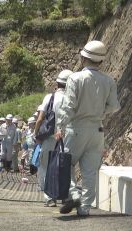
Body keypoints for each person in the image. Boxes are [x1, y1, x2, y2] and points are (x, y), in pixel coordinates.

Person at [55, 41, 120, 216]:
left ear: (83, 58)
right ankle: (84, 208)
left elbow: (68, 107)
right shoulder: (109, 81)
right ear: (101, 61)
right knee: (90, 172)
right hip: (97, 130)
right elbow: (114, 107)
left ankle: (74, 194)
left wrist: (60, 126)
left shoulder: (75, 78)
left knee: (65, 163)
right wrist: (100, 113)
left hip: (76, 128)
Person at [34, 69, 74, 206]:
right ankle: (66, 195)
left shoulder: (49, 97)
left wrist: (36, 133)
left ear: (57, 83)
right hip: (67, 137)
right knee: (66, 166)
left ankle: (49, 198)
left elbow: (40, 118)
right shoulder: (72, 98)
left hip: (50, 137)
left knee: (46, 165)